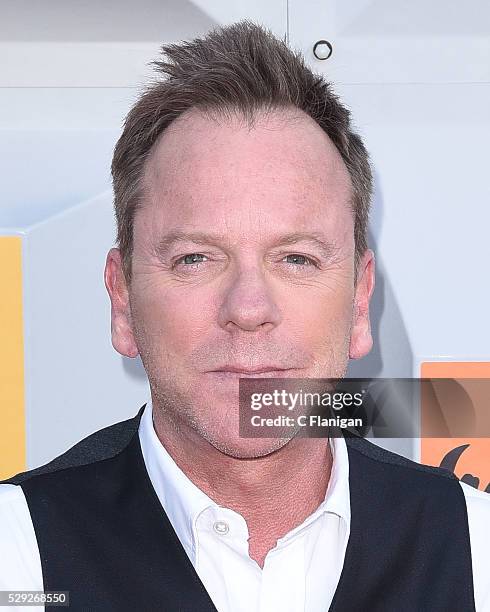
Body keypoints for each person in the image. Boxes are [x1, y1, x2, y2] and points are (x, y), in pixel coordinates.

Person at [1, 19, 489, 612]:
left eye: (297, 258)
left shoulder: (475, 549)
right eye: (196, 257)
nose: (249, 309)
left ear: (361, 301)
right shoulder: (16, 558)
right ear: (122, 299)